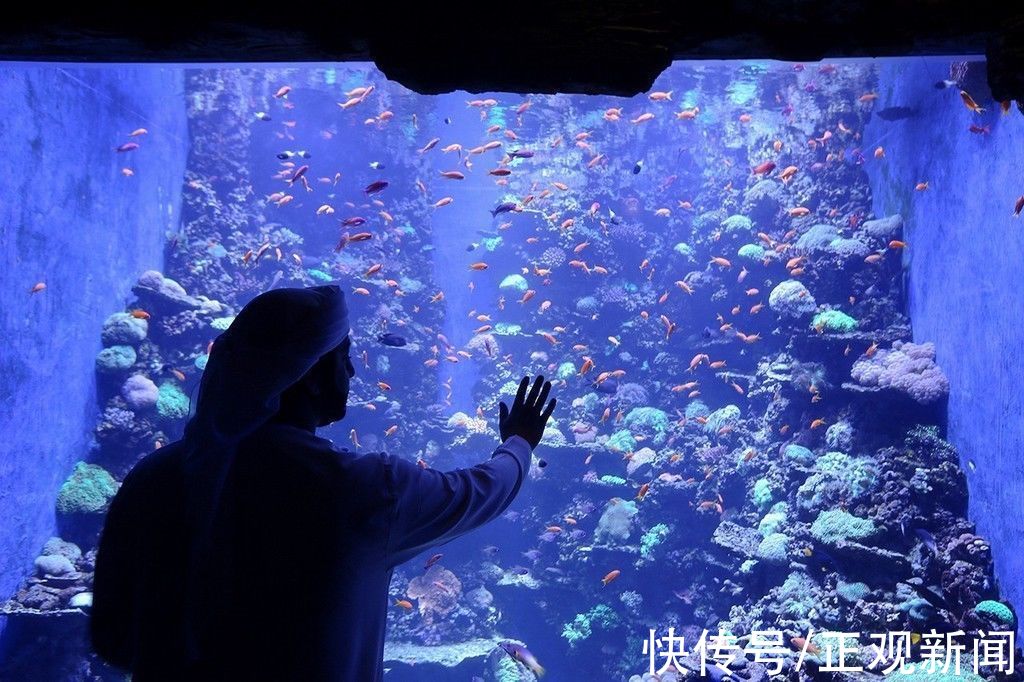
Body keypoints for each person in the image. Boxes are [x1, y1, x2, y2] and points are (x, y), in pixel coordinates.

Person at [90, 284, 556, 681]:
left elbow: (112, 641)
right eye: (344, 356)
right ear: (307, 374)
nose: (352, 371)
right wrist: (519, 442)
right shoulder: (365, 489)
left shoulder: (154, 478)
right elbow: (480, 492)